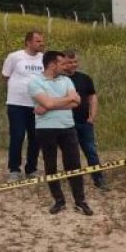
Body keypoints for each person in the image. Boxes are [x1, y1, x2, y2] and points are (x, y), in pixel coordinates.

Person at [30, 50, 91, 215]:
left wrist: (49, 104)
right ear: (52, 64)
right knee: (51, 165)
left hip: (67, 127)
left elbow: (76, 102)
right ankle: (59, 200)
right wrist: (63, 100)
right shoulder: (35, 81)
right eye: (62, 63)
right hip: (46, 129)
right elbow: (58, 102)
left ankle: (80, 201)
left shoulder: (66, 80)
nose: (66, 66)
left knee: (74, 165)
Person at [1, 30, 46, 181]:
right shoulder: (15, 57)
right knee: (17, 136)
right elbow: (5, 76)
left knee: (36, 137)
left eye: (42, 41)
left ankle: (31, 168)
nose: (41, 43)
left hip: (37, 105)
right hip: (17, 104)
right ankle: (14, 169)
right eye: (38, 41)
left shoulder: (44, 59)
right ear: (28, 42)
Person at [63, 50, 108, 190]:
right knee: (71, 154)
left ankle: (98, 178)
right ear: (62, 63)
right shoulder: (58, 80)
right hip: (66, 123)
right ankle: (74, 181)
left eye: (75, 62)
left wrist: (92, 116)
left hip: (84, 122)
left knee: (90, 150)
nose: (73, 65)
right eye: (69, 62)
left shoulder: (85, 78)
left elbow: (92, 97)